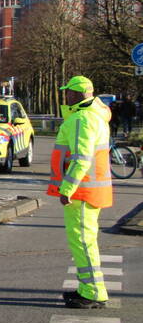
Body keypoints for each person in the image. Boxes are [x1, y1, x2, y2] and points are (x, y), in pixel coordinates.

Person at [47, 75, 112, 309]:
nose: (65, 95)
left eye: (68, 92)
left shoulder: (81, 119)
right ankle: (89, 288)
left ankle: (92, 293)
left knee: (83, 243)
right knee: (85, 242)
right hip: (89, 190)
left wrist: (67, 189)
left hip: (82, 191)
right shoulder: (94, 116)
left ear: (76, 94)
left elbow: (81, 159)